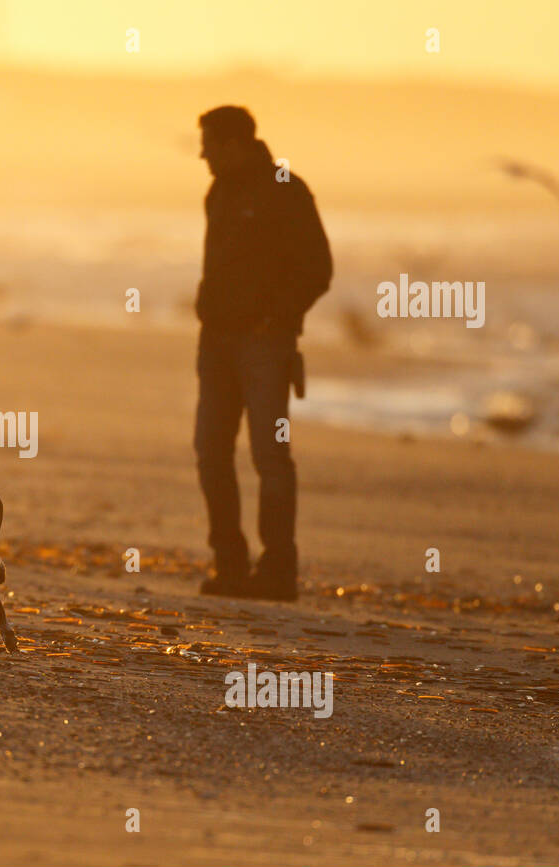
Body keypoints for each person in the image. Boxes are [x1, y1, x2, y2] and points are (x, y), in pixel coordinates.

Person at [193, 106, 332, 601]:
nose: (202, 154)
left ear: (233, 144)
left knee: (269, 456)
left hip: (264, 346)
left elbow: (319, 268)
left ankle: (277, 571)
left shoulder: (286, 190)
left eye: (208, 144)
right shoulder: (220, 191)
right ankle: (230, 563)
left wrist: (276, 317)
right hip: (216, 343)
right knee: (211, 452)